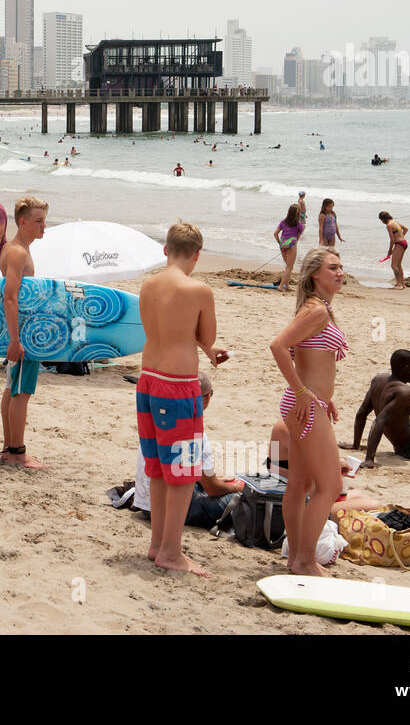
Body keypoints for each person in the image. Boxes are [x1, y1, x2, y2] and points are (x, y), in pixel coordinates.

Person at [135, 221, 225, 576]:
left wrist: (203, 344)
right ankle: (172, 551)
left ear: (165, 250)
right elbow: (206, 334)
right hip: (177, 384)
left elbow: (164, 331)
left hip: (148, 380)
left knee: (158, 467)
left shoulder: (148, 285)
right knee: (184, 472)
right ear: (197, 255)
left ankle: (158, 544)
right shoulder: (199, 289)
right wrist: (211, 347)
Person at [269, 247, 348, 576]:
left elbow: (299, 352)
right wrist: (304, 391)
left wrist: (316, 392)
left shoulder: (317, 309)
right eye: (333, 267)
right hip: (305, 406)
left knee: (299, 483)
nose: (340, 272)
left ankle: (296, 559)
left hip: (307, 404)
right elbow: (277, 346)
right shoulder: (317, 311)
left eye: (341, 266)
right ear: (316, 274)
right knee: (329, 486)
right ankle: (304, 560)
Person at [130, 375, 243, 527]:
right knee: (240, 500)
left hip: (146, 503)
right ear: (207, 397)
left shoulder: (157, 418)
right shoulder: (193, 430)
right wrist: (237, 487)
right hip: (175, 510)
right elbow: (213, 489)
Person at [0, 196, 49, 471]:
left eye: (44, 221)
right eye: (39, 221)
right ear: (23, 222)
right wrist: (16, 340)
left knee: (12, 388)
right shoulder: (17, 252)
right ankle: (17, 452)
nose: (44, 226)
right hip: (23, 333)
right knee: (21, 391)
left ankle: (9, 448)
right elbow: (9, 298)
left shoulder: (18, 248)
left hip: (21, 330)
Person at [268, 420, 384, 514]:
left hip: (307, 498)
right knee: (375, 505)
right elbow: (314, 464)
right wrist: (335, 464)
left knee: (359, 495)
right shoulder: (290, 428)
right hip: (305, 507)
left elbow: (296, 464)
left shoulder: (283, 425)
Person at [274, 204, 305, 292]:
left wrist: (280, 243)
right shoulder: (299, 225)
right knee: (289, 267)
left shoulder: (283, 222)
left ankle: (286, 286)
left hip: (283, 245)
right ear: (297, 214)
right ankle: (280, 286)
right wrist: (292, 244)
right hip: (291, 246)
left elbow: (275, 233)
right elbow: (297, 239)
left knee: (287, 267)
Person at [378, 211, 407, 288]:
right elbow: (406, 229)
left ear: (383, 219)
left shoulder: (389, 225)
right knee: (398, 265)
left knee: (394, 265)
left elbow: (392, 240)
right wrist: (401, 237)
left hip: (399, 244)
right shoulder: (395, 222)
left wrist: (390, 250)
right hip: (404, 243)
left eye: (381, 220)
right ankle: (402, 284)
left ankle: (399, 285)